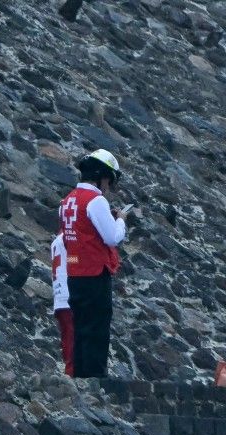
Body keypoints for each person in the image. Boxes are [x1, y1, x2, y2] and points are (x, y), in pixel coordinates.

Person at [58, 149, 128, 378]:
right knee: (97, 328)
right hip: (95, 272)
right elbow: (112, 237)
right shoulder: (95, 200)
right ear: (102, 176)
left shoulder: (67, 201)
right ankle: (96, 377)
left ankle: (79, 375)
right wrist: (121, 220)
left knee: (81, 328)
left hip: (75, 271)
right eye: (109, 180)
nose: (108, 187)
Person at [49, 233, 74, 376]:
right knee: (72, 334)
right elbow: (72, 260)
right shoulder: (68, 239)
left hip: (59, 295)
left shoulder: (55, 242)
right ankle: (71, 370)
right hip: (68, 293)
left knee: (66, 335)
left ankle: (69, 367)